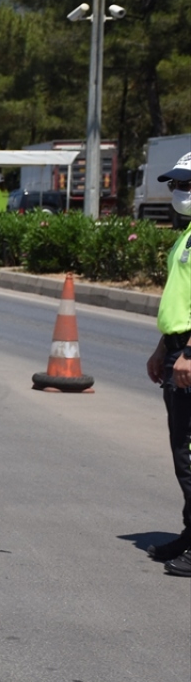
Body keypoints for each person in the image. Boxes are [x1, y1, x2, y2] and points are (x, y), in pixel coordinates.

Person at [144, 151, 191, 576]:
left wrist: (190, 352)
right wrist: (165, 347)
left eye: (187, 184)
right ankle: (189, 534)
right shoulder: (189, 234)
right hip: (178, 348)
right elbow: (182, 300)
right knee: (183, 452)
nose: (178, 192)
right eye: (176, 184)